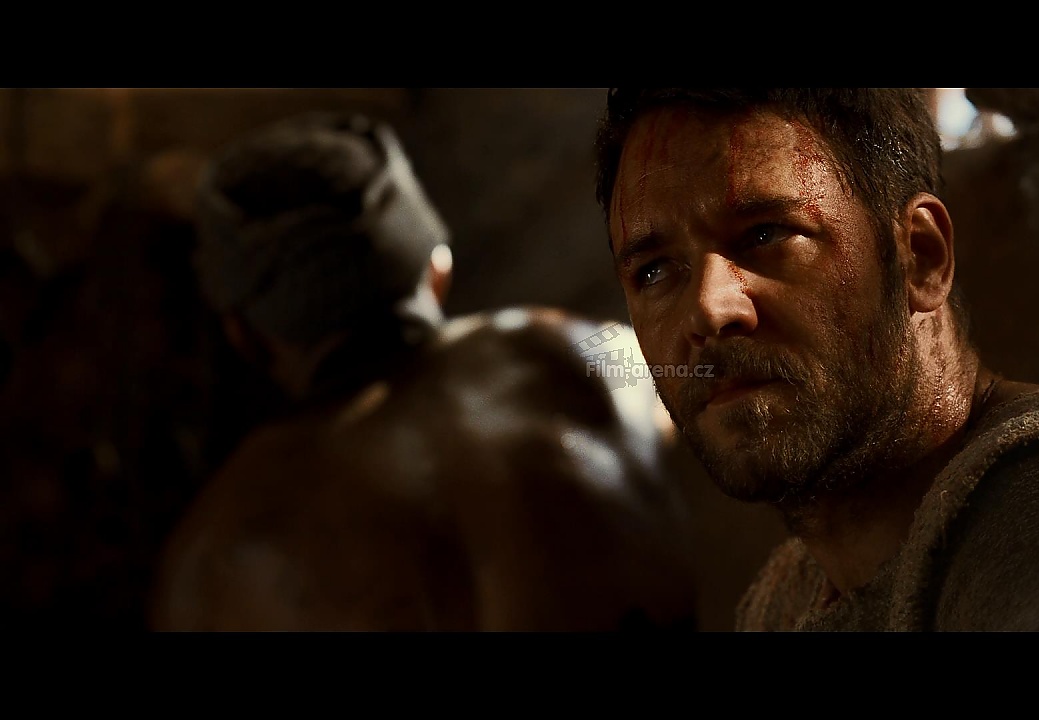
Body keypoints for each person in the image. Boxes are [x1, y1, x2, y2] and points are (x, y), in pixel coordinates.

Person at [591, 88, 1039, 631]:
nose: (710, 308)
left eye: (767, 234)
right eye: (653, 272)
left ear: (920, 256)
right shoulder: (790, 595)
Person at [149, 112, 696, 631]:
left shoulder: (212, 553)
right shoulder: (592, 355)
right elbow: (672, 386)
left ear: (243, 337)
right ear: (438, 271)